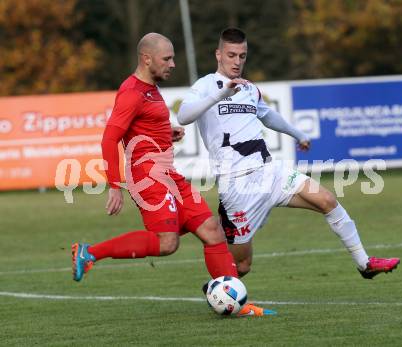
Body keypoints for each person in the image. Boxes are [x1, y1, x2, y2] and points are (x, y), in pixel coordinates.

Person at [71, 32, 274, 316]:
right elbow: (109, 139)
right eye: (167, 59)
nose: (173, 64)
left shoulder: (151, 88)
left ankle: (234, 301)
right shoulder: (131, 92)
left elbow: (141, 127)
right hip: (147, 176)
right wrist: (114, 186)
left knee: (213, 232)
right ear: (146, 58)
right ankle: (89, 252)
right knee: (167, 243)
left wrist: (168, 132)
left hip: (168, 173)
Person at [177, 27, 400, 280]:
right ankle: (220, 293)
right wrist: (220, 94)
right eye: (231, 55)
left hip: (272, 173)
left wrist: (297, 134)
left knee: (326, 200)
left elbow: (267, 115)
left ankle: (365, 263)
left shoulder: (250, 88)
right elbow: (184, 116)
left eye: (242, 55)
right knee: (241, 266)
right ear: (218, 54)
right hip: (237, 186)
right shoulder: (205, 85)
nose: (237, 61)